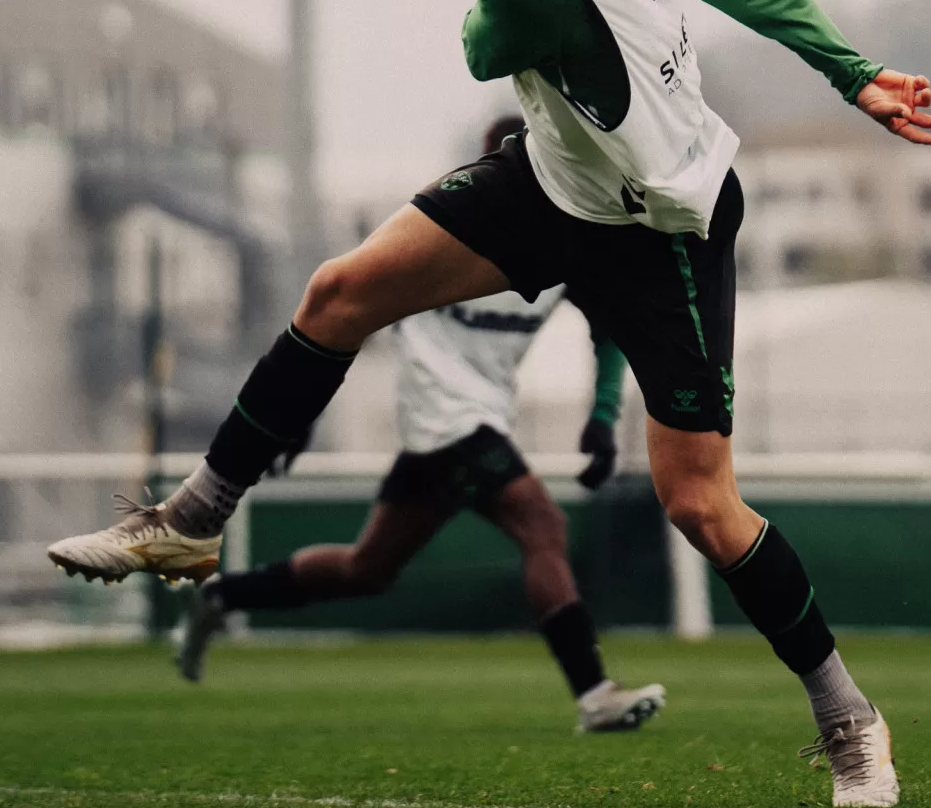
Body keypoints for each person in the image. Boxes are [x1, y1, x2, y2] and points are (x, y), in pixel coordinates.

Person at [48, 0, 931, 807]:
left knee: (702, 504)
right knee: (339, 294)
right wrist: (851, 72)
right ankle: (193, 523)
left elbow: (486, 47)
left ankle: (849, 718)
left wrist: (842, 72)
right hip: (557, 180)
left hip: (662, 225)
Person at [171, 121, 666, 733]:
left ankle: (223, 596)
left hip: (460, 432)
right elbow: (344, 315)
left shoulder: (560, 240)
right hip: (446, 422)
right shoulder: (442, 231)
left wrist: (602, 416)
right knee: (543, 526)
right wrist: (296, 416)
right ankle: (594, 695)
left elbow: (608, 327)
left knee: (367, 569)